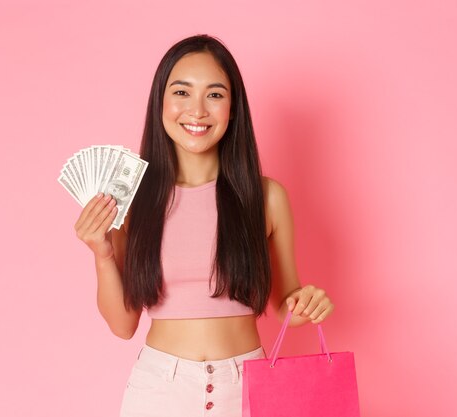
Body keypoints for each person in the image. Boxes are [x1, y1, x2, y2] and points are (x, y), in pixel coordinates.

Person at [74, 35, 334, 417]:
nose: (197, 110)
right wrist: (101, 253)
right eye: (182, 92)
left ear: (233, 109)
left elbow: (285, 303)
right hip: (158, 391)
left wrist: (308, 303)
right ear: (160, 101)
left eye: (214, 95)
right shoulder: (132, 200)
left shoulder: (267, 198)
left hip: (248, 387)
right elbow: (123, 325)